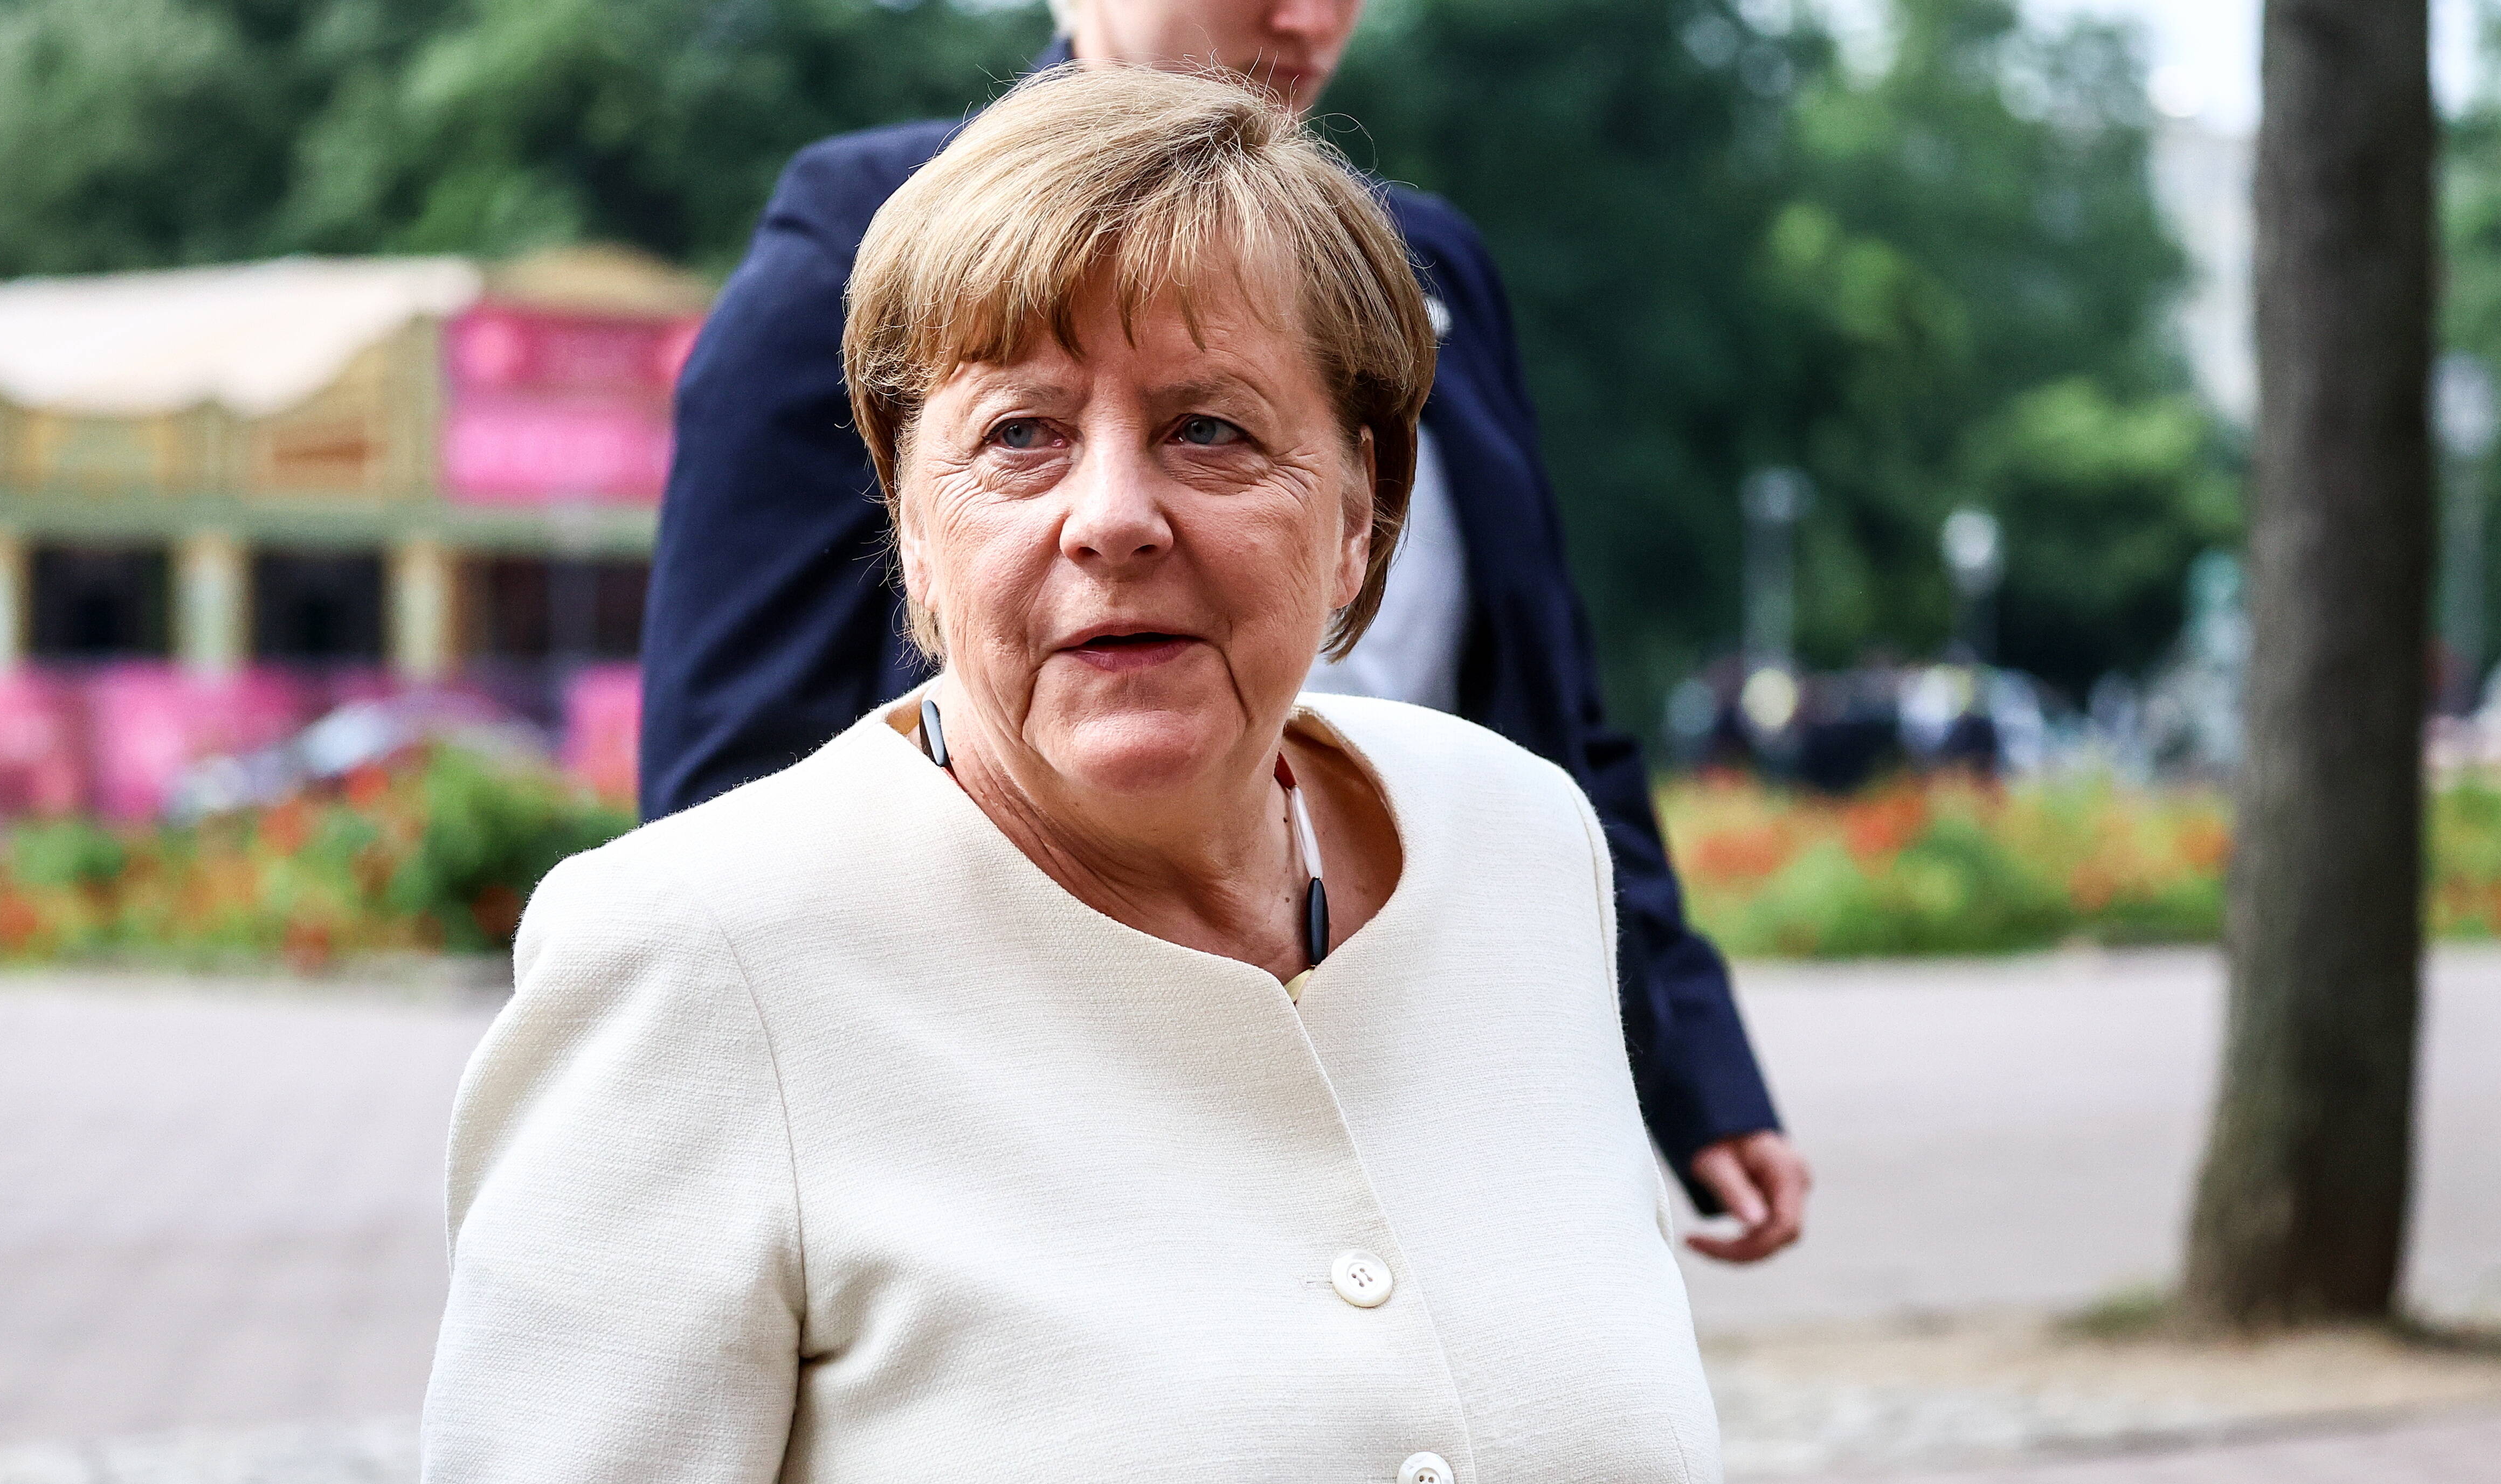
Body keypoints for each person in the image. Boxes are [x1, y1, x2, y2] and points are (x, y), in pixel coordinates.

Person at [369, 67, 1718, 1484]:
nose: (1111, 514)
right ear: (914, 530)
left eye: (1210, 427)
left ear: (1363, 508)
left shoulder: (1518, 851)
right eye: (1017, 434)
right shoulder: (704, 962)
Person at [640, 0, 1812, 1259]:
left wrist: (1693, 1069)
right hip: (1037, 1087)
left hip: (1425, 1059)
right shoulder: (882, 230)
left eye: (1214, 427)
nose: (1306, 15)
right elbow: (733, 774)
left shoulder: (1429, 267)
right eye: (1028, 432)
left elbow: (1553, 719)